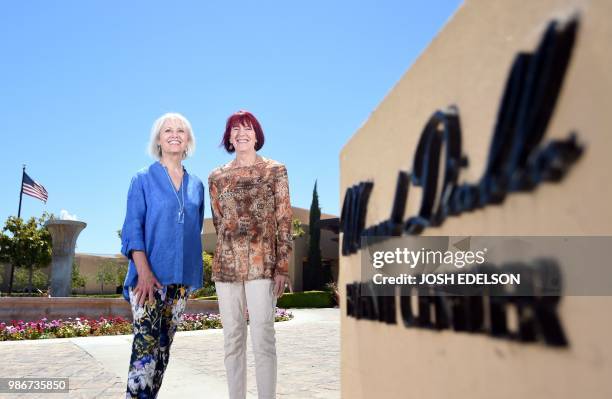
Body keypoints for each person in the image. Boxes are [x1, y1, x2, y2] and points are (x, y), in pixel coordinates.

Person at [208, 110, 293, 399]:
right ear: (228, 137)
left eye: (246, 128)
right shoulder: (217, 177)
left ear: (256, 135)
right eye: (234, 129)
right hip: (226, 268)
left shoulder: (275, 170)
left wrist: (282, 266)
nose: (240, 133)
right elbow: (218, 222)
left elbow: (283, 218)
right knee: (232, 340)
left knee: (263, 338)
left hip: (263, 266)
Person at [120, 112, 205, 398]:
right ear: (158, 139)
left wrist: (192, 277)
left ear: (188, 140)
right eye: (167, 130)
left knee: (163, 352)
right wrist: (143, 273)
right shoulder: (142, 179)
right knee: (145, 351)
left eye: (181, 131)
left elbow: (193, 231)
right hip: (147, 279)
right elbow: (133, 228)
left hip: (179, 280)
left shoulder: (197, 186)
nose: (174, 135)